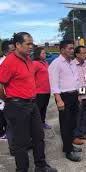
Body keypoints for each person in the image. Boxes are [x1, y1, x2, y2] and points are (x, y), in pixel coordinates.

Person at [0, 32, 57, 172]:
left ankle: (40, 166)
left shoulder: (28, 60)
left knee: (38, 136)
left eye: (32, 44)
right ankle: (22, 169)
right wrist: (8, 99)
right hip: (16, 105)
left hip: (32, 104)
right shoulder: (9, 62)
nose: (31, 47)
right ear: (18, 45)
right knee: (21, 142)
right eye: (28, 44)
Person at [48, 40, 82, 162]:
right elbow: (54, 83)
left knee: (73, 123)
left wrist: (78, 94)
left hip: (73, 95)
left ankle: (70, 145)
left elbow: (76, 80)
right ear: (62, 50)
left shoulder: (72, 62)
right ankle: (68, 151)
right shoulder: (56, 63)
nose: (72, 50)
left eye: (73, 48)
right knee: (66, 124)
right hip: (64, 97)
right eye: (70, 48)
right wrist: (58, 99)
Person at [33, 47, 52, 130]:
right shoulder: (35, 63)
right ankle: (37, 125)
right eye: (43, 53)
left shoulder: (45, 63)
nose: (45, 54)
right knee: (38, 110)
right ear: (38, 54)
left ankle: (42, 123)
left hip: (47, 90)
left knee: (44, 108)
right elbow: (31, 76)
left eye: (45, 53)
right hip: (39, 91)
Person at [0, 39, 15, 140]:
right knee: (4, 117)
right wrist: (5, 98)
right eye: (12, 51)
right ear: (5, 52)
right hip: (5, 98)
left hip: (12, 97)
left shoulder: (13, 61)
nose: (15, 52)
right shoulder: (2, 63)